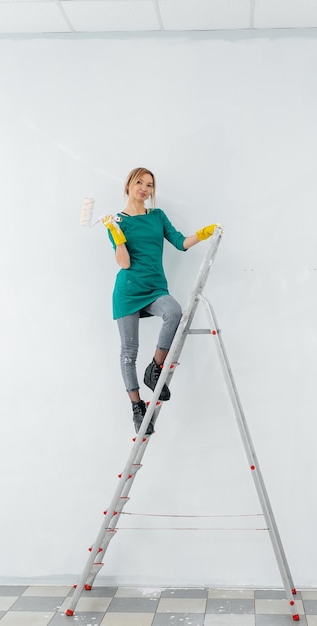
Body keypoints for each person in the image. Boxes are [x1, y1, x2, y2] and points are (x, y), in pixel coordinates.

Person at [103, 167, 217, 435]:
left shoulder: (157, 216)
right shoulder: (116, 221)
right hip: (128, 290)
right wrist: (117, 236)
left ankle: (155, 368)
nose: (145, 188)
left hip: (155, 288)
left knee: (174, 312)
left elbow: (180, 242)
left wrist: (202, 234)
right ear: (128, 185)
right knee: (128, 352)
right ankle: (136, 406)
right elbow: (125, 262)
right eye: (139, 182)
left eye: (150, 185)